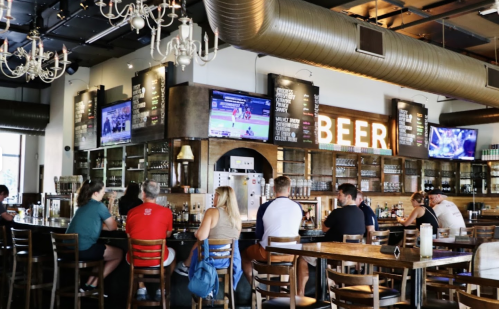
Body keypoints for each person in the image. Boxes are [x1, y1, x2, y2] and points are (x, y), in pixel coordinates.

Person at [297, 183, 365, 296]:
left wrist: (324, 220)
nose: (338, 197)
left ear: (348, 197)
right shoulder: (360, 213)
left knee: (303, 256)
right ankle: (331, 286)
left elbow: (324, 229)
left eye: (340, 194)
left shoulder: (338, 212)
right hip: (352, 256)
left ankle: (300, 293)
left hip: (332, 255)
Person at [175, 186, 243, 296]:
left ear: (221, 197)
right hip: (228, 262)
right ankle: (212, 287)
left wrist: (197, 233)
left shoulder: (212, 211)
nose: (213, 198)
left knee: (200, 245)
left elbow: (201, 237)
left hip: (210, 261)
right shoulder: (237, 217)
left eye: (215, 195)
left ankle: (204, 283)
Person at [241, 176, 303, 284]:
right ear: (289, 189)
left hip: (268, 254)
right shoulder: (298, 206)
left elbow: (259, 235)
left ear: (273, 189)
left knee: (243, 255)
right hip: (291, 255)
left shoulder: (264, 207)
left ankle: (256, 288)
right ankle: (284, 291)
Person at [66, 180, 122, 293]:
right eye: (102, 191)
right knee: (118, 254)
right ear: (95, 193)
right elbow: (113, 227)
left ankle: (87, 285)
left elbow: (96, 223)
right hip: (83, 250)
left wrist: (110, 204)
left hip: (67, 250)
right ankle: (94, 285)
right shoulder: (99, 206)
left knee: (101, 252)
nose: (104, 194)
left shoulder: (82, 205)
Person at [126, 180, 175, 301]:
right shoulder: (166, 212)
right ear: (157, 195)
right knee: (174, 253)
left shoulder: (131, 212)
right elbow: (168, 234)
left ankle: (141, 287)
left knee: (137, 252)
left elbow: (128, 235)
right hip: (159, 259)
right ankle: (161, 288)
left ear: (143, 193)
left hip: (135, 259)